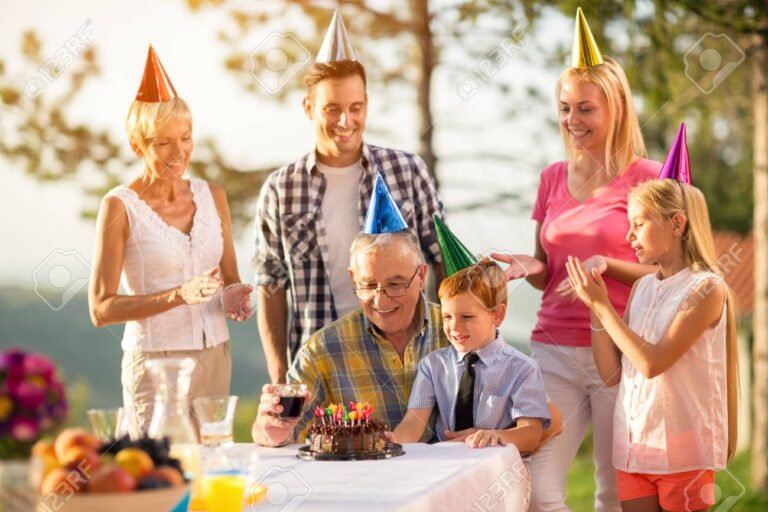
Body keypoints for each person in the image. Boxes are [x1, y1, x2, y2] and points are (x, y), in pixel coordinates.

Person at [492, 10, 661, 511]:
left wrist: (609, 269)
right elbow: (550, 273)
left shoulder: (649, 178)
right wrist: (532, 267)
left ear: (615, 108)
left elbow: (673, 271)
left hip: (623, 351)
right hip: (553, 352)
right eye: (565, 108)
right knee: (538, 490)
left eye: (585, 109)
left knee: (614, 494)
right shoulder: (551, 178)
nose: (572, 121)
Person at [253, 9, 445, 384]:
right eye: (332, 109)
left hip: (405, 360)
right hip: (318, 365)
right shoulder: (281, 188)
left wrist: (449, 348)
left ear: (367, 106)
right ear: (308, 108)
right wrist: (279, 378)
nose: (346, 121)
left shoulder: (406, 170)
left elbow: (441, 259)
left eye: (356, 108)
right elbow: (270, 284)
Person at [88, 46, 253, 437]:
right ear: (137, 146)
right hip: (156, 366)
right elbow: (100, 309)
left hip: (216, 356)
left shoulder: (213, 195)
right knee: (165, 481)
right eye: (163, 143)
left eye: (186, 137)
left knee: (213, 472)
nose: (179, 153)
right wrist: (179, 294)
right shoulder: (119, 206)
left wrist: (238, 297)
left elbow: (230, 279)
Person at [565, 178, 738, 512]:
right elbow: (613, 373)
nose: (629, 235)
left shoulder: (706, 289)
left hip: (683, 453)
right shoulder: (643, 288)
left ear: (676, 224)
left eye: (639, 224)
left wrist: (602, 304)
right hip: (635, 447)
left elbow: (652, 363)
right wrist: (595, 311)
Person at [251, 230, 447, 446]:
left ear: (421, 276)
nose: (381, 301)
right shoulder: (323, 350)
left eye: (395, 284)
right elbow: (279, 430)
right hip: (361, 477)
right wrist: (270, 429)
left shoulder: (457, 331)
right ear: (353, 279)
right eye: (369, 285)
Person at [393, 259, 551, 454]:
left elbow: (531, 433)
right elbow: (413, 422)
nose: (455, 327)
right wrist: (392, 443)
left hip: (496, 468)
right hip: (447, 464)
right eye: (447, 317)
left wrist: (498, 435)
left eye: (466, 317)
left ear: (497, 315)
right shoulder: (432, 365)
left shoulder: (521, 368)